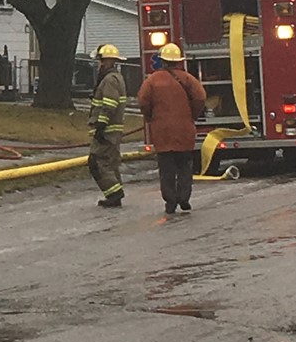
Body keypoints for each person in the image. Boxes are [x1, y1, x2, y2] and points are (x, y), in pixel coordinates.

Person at [137, 42, 207, 216]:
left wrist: (150, 117)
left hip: (162, 133)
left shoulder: (152, 80)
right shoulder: (188, 79)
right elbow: (200, 98)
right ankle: (184, 197)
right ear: (178, 61)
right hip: (184, 131)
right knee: (184, 166)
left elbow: (143, 101)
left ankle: (170, 201)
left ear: (162, 61)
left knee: (167, 168)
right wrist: (192, 115)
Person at [88, 43, 129, 208]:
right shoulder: (115, 77)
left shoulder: (110, 80)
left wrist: (101, 125)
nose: (98, 64)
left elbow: (109, 104)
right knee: (110, 162)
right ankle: (115, 194)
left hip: (107, 130)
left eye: (99, 61)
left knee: (96, 161)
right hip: (112, 129)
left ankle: (113, 193)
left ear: (105, 61)